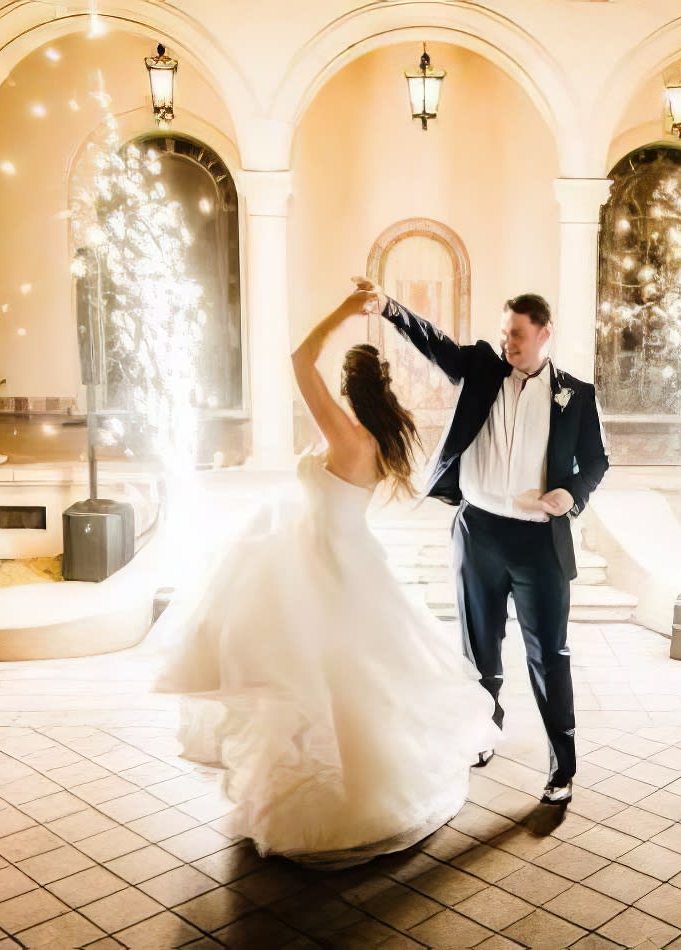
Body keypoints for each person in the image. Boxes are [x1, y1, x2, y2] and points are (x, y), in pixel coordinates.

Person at [153, 287, 497, 867]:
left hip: (317, 561)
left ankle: (338, 804)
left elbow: (296, 360)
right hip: (348, 557)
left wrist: (342, 311)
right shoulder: (376, 437)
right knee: (350, 683)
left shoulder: (344, 433)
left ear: (346, 389)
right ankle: (358, 787)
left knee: (311, 680)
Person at [358, 277, 609, 806]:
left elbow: (597, 462)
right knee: (478, 653)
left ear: (545, 334)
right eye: (503, 334)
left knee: (549, 656)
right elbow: (435, 343)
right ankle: (483, 731)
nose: (507, 344)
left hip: (539, 542)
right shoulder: (482, 369)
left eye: (517, 335)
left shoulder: (576, 395)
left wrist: (572, 493)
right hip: (478, 533)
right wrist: (386, 307)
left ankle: (562, 763)